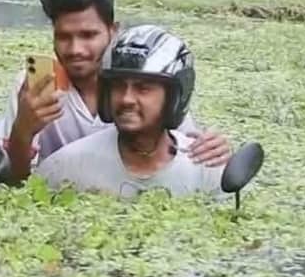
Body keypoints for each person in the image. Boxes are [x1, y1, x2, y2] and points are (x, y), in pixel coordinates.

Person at [0, 0, 231, 185]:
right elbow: (13, 183)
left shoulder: (144, 80)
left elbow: (185, 145)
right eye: (63, 37)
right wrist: (22, 131)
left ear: (113, 30)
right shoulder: (35, 86)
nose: (75, 50)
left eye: (88, 35)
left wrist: (212, 147)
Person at [35, 24, 225, 198]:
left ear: (174, 96)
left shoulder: (208, 170)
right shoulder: (64, 168)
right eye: (118, 86)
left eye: (143, 88)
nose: (126, 99)